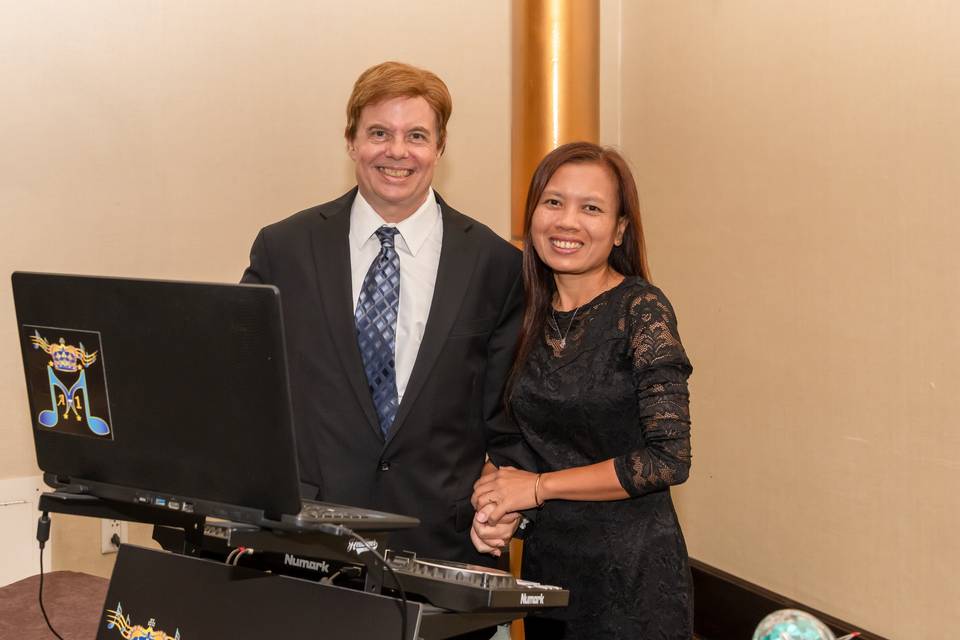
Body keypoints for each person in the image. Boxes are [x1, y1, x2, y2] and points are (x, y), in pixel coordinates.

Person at [241, 61, 531, 568]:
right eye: (379, 132)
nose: (398, 151)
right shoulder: (284, 249)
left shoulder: (497, 264)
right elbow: (243, 389)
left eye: (416, 135)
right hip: (305, 541)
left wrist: (502, 499)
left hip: (443, 542)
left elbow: (514, 418)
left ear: (440, 148)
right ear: (351, 141)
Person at [471, 142, 694, 639]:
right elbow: (521, 437)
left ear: (619, 229)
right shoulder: (524, 315)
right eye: (553, 202)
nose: (567, 221)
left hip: (633, 577)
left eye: (590, 208)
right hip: (549, 572)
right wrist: (495, 495)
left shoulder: (641, 310)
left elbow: (667, 459)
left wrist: (537, 487)